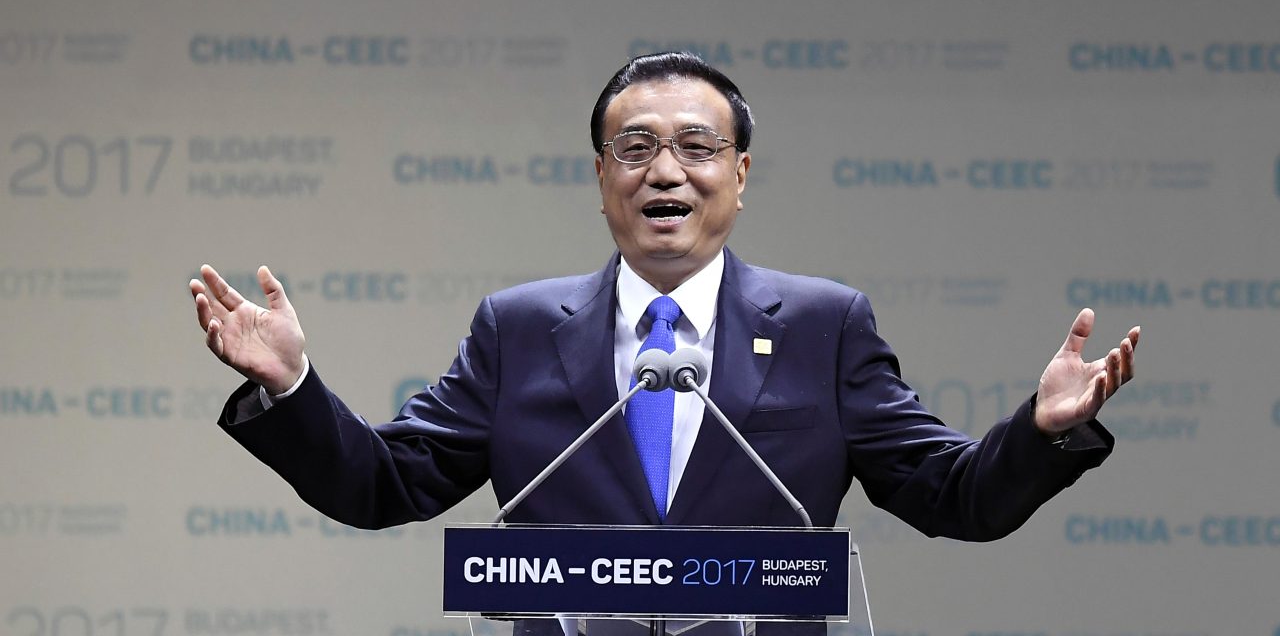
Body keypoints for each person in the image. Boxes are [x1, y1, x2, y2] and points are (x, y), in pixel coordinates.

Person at [190, 51, 1138, 552]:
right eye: (635, 148)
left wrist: (1042, 431)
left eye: (697, 146)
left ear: (741, 175)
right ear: (601, 179)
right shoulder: (519, 330)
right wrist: (293, 387)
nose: (666, 171)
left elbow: (955, 496)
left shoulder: (824, 326)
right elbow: (383, 484)